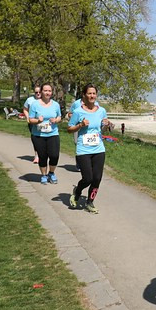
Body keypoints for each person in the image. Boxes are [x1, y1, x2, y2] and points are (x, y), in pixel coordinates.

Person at [67, 83, 108, 213]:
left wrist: (107, 125)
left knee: (97, 178)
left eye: (94, 93)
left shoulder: (101, 111)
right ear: (84, 95)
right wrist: (80, 125)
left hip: (98, 148)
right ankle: (77, 192)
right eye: (89, 93)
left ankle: (90, 202)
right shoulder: (78, 111)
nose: (92, 96)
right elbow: (69, 128)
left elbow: (103, 127)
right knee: (88, 178)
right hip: (83, 149)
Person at [27, 83, 62, 184]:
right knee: (42, 156)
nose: (47, 93)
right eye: (45, 91)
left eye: (49, 91)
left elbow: (59, 117)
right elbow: (30, 119)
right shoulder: (35, 104)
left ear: (52, 92)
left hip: (53, 134)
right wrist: (38, 121)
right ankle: (43, 175)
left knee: (54, 155)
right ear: (41, 92)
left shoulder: (55, 104)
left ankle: (51, 173)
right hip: (38, 135)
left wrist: (56, 120)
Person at [23, 84, 42, 164]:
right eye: (36, 92)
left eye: (39, 92)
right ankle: (37, 155)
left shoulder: (46, 100)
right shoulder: (30, 100)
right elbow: (25, 109)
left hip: (43, 123)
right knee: (35, 139)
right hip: (33, 122)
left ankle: (43, 155)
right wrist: (27, 117)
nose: (38, 94)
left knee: (43, 138)